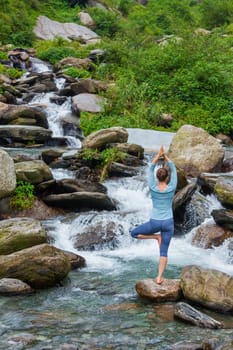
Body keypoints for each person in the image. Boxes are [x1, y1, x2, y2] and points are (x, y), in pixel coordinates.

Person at [130, 145, 177, 284]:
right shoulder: (172, 187)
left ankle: (155, 236)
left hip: (155, 222)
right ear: (167, 177)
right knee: (163, 252)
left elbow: (151, 168)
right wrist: (166, 157)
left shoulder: (152, 186)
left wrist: (158, 156)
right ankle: (159, 277)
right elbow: (173, 169)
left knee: (133, 233)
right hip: (168, 222)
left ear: (157, 177)